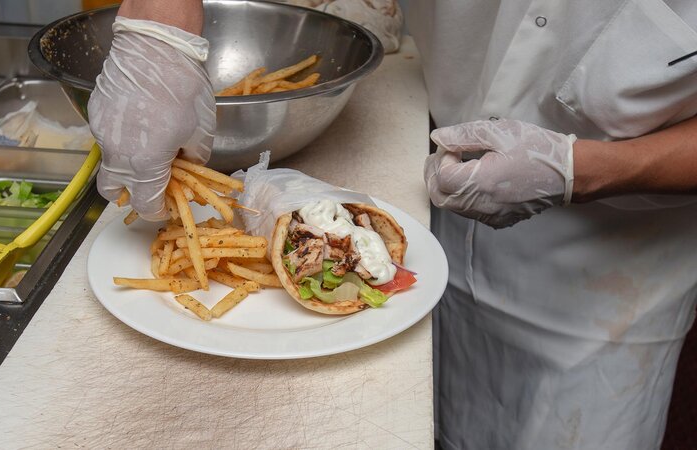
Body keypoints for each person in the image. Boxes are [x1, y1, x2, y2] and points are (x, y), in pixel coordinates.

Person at [87, 0, 697, 448]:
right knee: (423, 422)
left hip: (613, 277)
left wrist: (577, 169)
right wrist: (160, 22)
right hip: (440, 203)